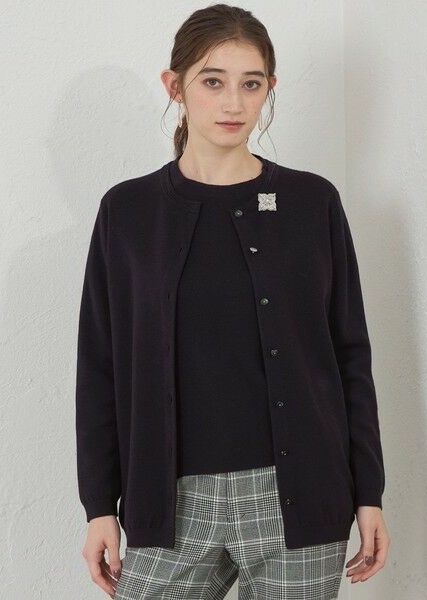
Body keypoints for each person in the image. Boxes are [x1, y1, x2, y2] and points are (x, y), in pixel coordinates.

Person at [76, 4, 390, 599]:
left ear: (270, 87)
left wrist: (369, 492)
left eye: (251, 84)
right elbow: (99, 366)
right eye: (212, 81)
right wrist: (99, 505)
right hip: (170, 502)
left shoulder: (311, 202)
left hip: (298, 498)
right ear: (175, 86)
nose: (233, 103)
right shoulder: (128, 211)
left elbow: (350, 354)